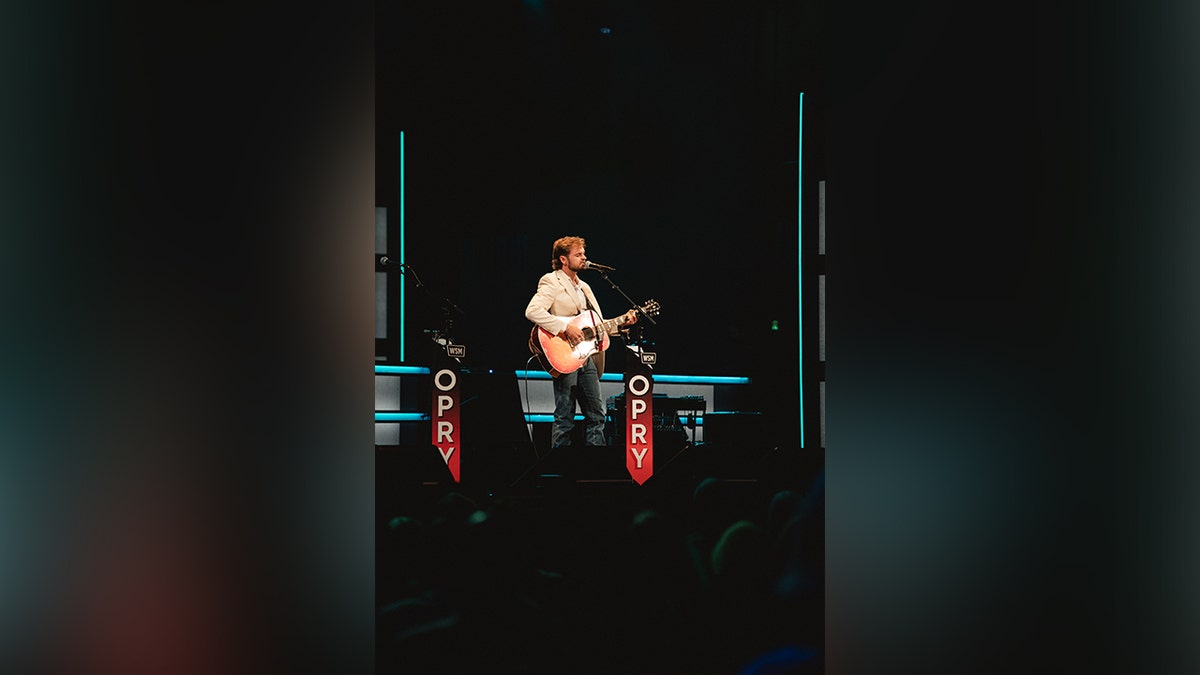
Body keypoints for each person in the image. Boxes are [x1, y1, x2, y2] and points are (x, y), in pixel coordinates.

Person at [525, 236, 637, 447]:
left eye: (583, 253)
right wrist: (566, 327)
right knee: (565, 417)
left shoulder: (584, 287)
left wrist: (622, 323)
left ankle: (595, 468)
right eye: (578, 254)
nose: (584, 257)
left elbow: (595, 325)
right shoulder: (551, 281)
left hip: (588, 357)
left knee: (597, 416)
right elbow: (532, 311)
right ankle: (559, 469)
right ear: (563, 259)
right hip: (565, 355)